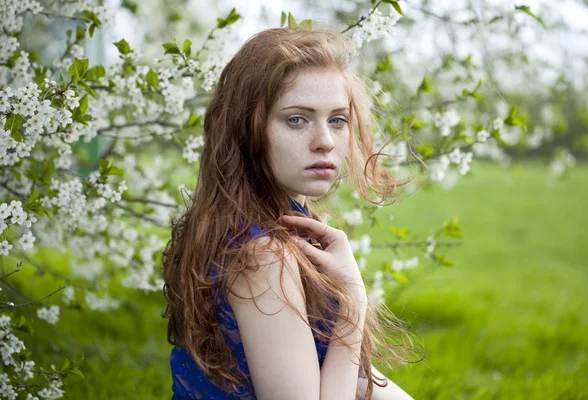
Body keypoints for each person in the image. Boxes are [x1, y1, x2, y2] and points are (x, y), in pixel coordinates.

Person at [162, 27, 418, 399]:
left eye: (337, 120)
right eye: (297, 119)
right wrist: (352, 303)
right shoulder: (262, 256)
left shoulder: (271, 225)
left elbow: (336, 374)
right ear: (249, 129)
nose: (325, 141)